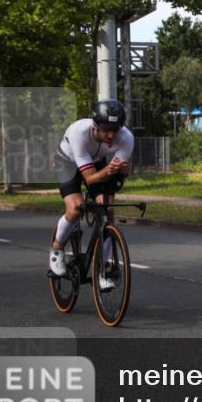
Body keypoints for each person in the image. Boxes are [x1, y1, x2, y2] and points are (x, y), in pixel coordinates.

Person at [49, 100, 133, 289]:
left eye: (115, 129)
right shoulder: (79, 132)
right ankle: (57, 249)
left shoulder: (126, 137)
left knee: (108, 210)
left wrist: (123, 171)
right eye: (106, 130)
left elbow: (116, 175)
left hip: (95, 161)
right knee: (75, 208)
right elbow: (90, 178)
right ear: (95, 126)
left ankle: (102, 268)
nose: (111, 135)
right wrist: (110, 170)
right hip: (67, 164)